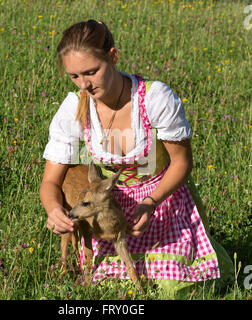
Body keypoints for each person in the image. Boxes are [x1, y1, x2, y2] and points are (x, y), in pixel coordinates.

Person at [40, 19, 234, 296]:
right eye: (74, 76)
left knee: (175, 287)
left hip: (163, 203)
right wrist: (53, 210)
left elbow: (182, 163)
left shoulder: (154, 99)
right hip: (109, 214)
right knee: (111, 287)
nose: (84, 85)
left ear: (113, 56)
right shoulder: (74, 109)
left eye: (91, 72)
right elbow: (50, 181)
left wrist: (151, 201)